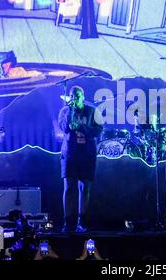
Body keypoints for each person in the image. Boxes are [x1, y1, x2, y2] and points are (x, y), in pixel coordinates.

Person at [58, 86, 103, 233]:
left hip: (87, 154)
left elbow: (98, 131)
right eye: (72, 96)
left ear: (83, 96)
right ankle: (68, 222)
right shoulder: (65, 111)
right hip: (70, 154)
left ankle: (81, 221)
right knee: (69, 188)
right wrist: (70, 111)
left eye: (77, 95)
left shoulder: (92, 111)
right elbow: (64, 128)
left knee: (85, 188)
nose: (74, 98)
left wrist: (82, 127)